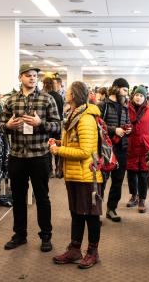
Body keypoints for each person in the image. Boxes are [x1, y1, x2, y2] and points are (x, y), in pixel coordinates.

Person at [1, 64, 61, 252]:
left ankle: (46, 236)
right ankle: (20, 235)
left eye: (35, 75)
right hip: (17, 156)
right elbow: (1, 125)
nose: (32, 78)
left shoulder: (47, 99)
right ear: (20, 78)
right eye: (28, 75)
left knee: (42, 198)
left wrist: (40, 123)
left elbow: (58, 126)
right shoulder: (11, 101)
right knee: (18, 198)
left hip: (39, 156)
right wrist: (7, 126)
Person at [50, 81, 103, 269]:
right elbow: (74, 142)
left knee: (91, 215)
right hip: (74, 174)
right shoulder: (74, 115)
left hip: (88, 176)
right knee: (77, 213)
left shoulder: (85, 118)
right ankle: (74, 249)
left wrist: (59, 150)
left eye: (69, 91)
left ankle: (92, 252)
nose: (66, 93)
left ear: (73, 95)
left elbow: (85, 151)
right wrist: (58, 142)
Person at [99, 78, 130, 222]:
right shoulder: (103, 105)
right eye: (124, 90)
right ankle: (96, 212)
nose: (126, 94)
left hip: (122, 148)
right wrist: (114, 130)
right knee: (101, 181)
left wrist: (128, 128)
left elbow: (127, 122)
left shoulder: (124, 106)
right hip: (106, 149)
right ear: (116, 88)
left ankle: (111, 209)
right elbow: (98, 124)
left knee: (117, 181)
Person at [126, 86, 149, 213]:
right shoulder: (127, 109)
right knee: (131, 174)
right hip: (131, 147)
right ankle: (133, 196)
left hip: (145, 148)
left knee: (143, 175)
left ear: (145, 97)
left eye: (141, 95)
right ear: (133, 96)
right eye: (136, 95)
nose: (138, 97)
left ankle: (142, 199)